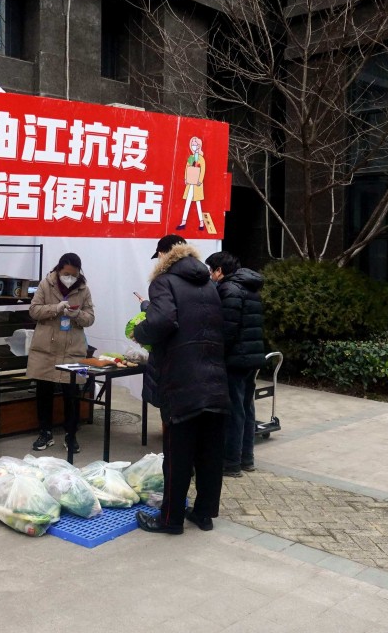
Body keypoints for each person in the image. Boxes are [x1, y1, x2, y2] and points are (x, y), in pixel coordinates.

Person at [132, 234, 228, 534]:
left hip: (182, 380)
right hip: (214, 378)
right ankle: (204, 514)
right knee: (210, 454)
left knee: (178, 454)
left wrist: (141, 332)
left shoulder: (164, 281)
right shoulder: (209, 284)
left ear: (164, 254)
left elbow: (162, 321)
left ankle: (171, 519)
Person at [27, 253, 96, 454]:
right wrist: (55, 309)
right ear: (59, 269)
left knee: (72, 394)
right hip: (45, 348)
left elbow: (91, 318)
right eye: (66, 273)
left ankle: (71, 435)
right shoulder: (45, 285)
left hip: (73, 349)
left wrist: (78, 315)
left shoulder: (84, 289)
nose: (70, 277)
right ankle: (45, 432)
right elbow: (34, 310)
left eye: (74, 275)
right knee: (44, 392)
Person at [205, 251, 266, 477]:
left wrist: (216, 354)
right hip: (251, 357)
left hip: (235, 359)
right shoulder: (249, 287)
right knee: (247, 407)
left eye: (212, 270)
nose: (210, 275)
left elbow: (227, 330)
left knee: (234, 410)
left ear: (219, 270)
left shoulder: (229, 289)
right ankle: (246, 458)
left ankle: (231, 463)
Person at [176, 136, 206, 231]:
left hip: (197, 184)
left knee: (198, 202)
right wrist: (186, 178)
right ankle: (183, 222)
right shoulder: (191, 157)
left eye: (195, 144)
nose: (194, 146)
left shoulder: (201, 158)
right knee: (188, 201)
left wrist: (200, 181)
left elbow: (203, 170)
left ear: (199, 145)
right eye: (192, 144)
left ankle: (201, 222)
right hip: (190, 183)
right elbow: (187, 167)